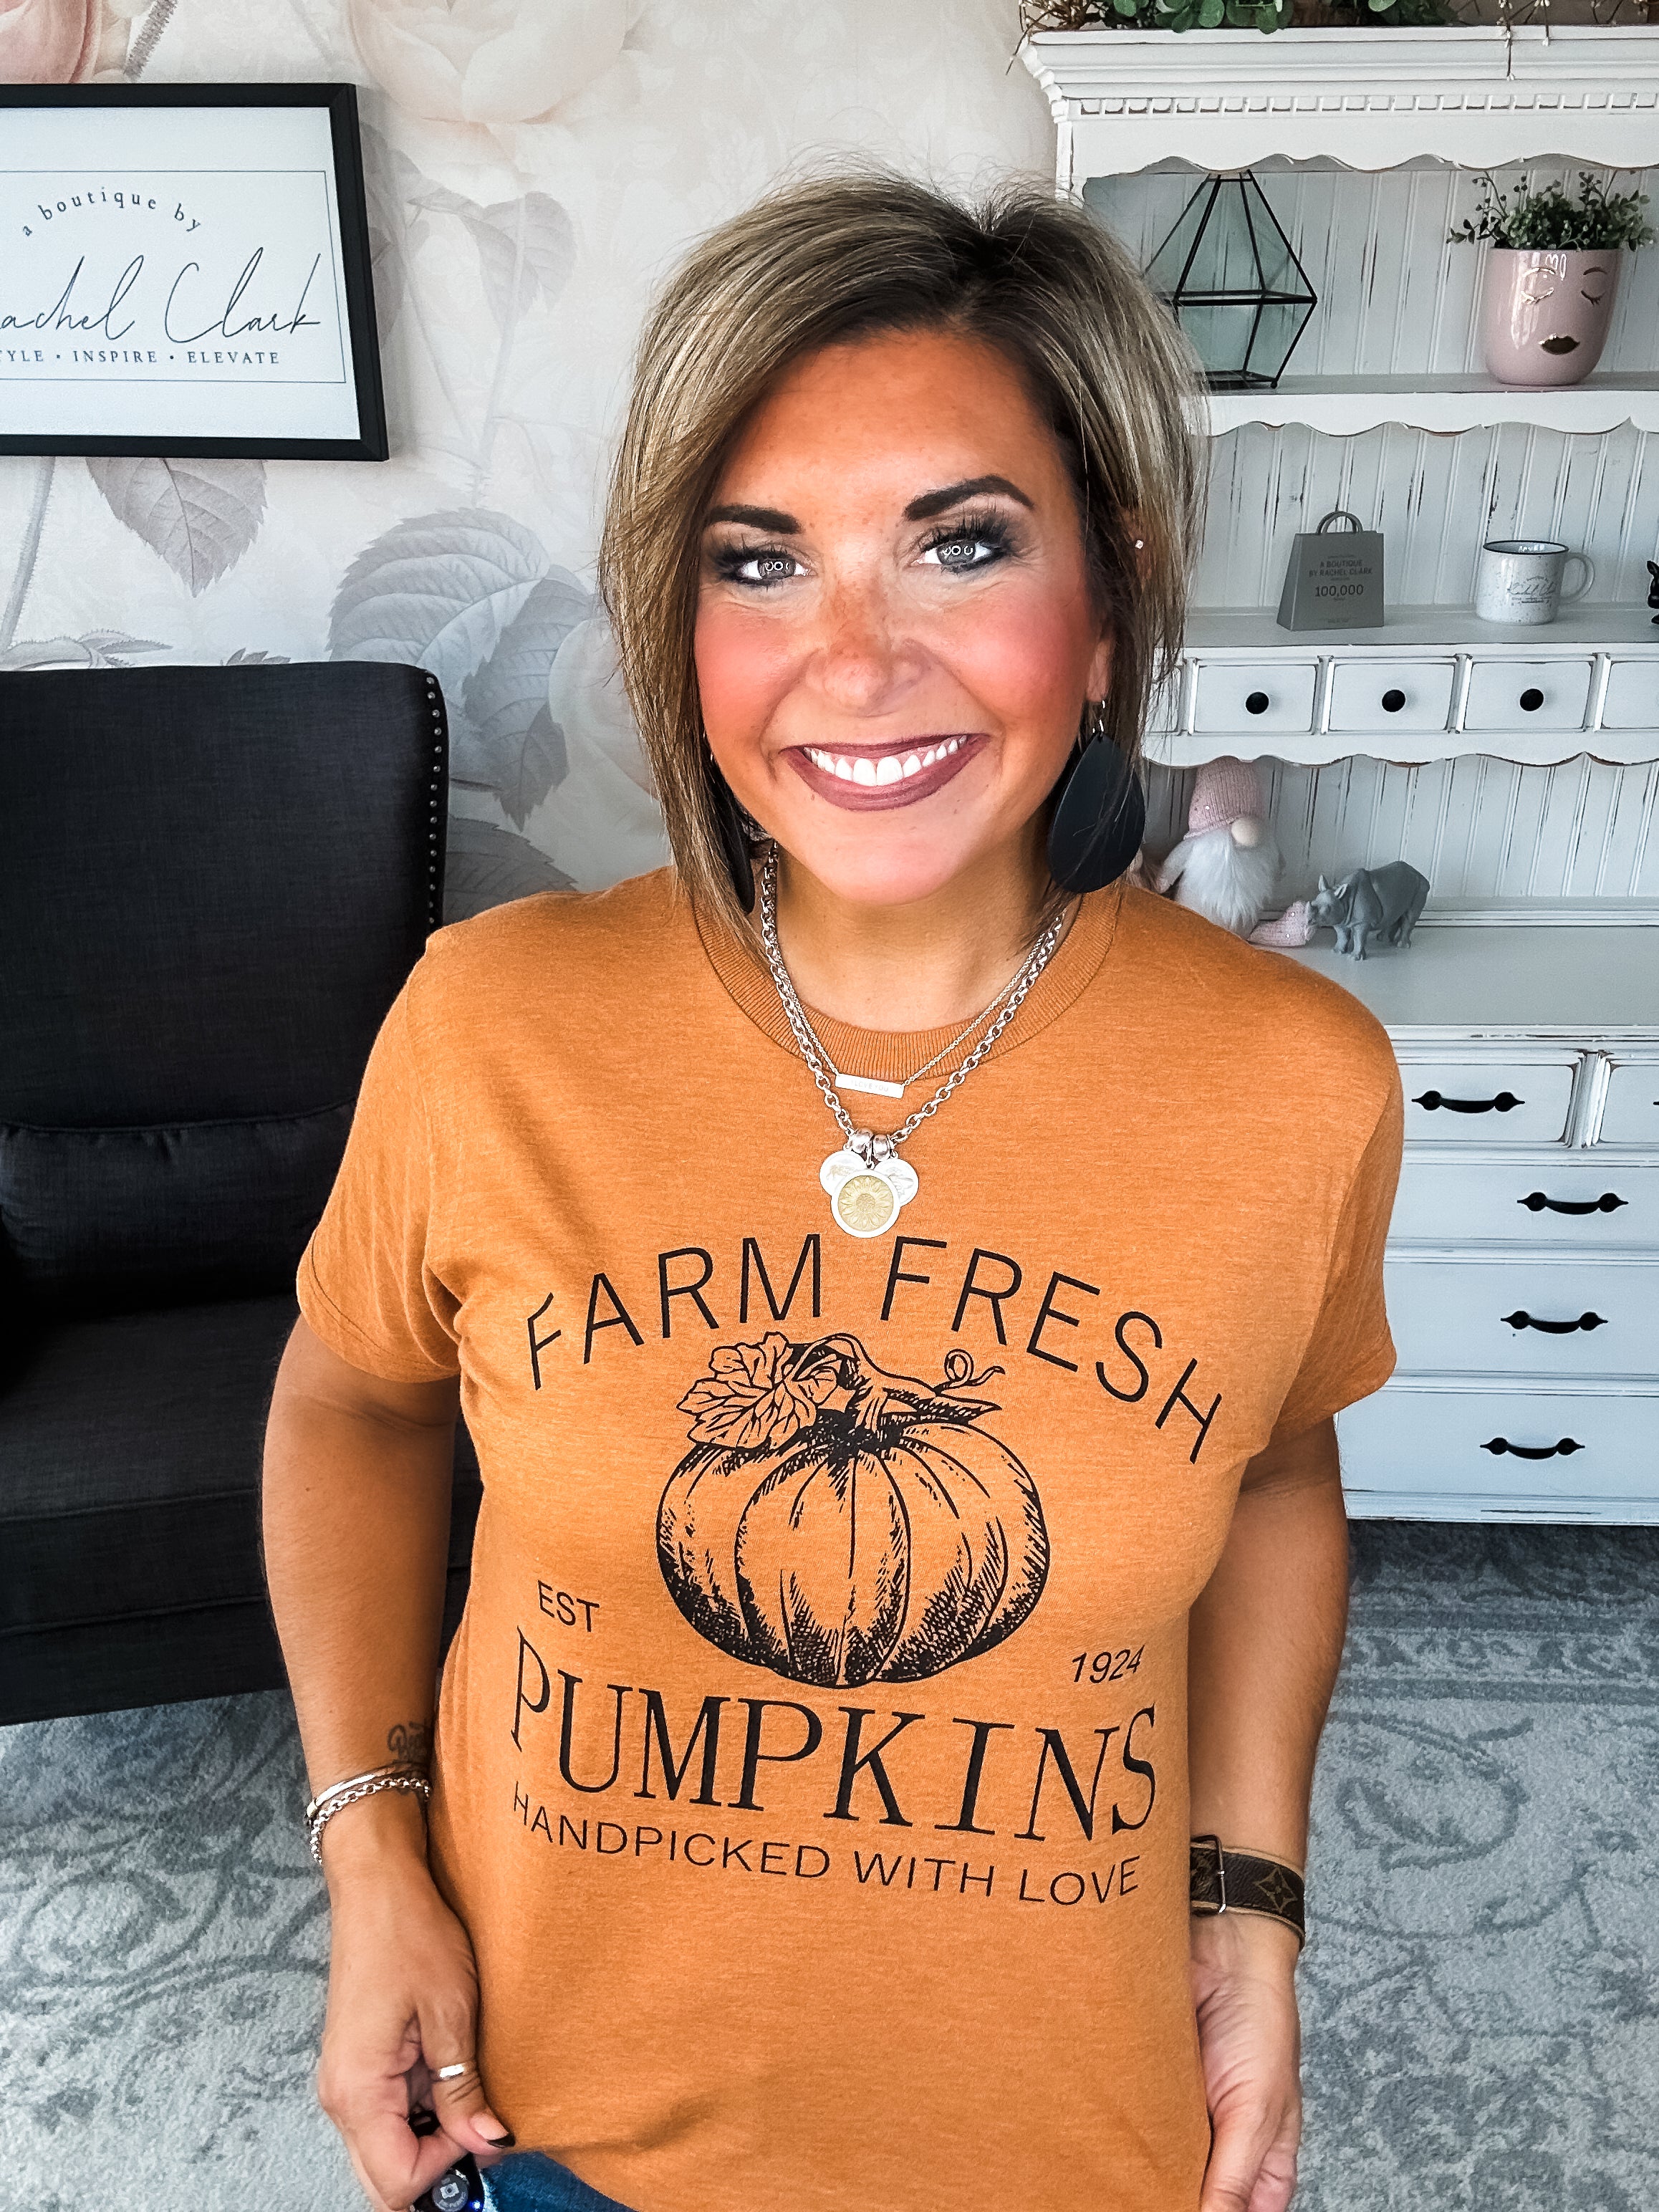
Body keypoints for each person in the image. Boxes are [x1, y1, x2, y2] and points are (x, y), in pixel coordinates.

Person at [262, 171, 1403, 2212]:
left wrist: (1248, 1905)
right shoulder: (494, 1026)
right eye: (759, 563)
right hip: (549, 2129)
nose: (853, 658)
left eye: (960, 545)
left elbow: (1271, 1470)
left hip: (1065, 2138)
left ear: (1110, 582)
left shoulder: (1289, 1085)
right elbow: (347, 1397)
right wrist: (370, 1846)